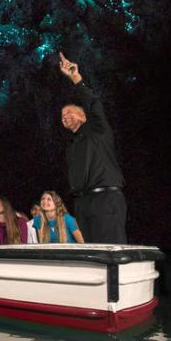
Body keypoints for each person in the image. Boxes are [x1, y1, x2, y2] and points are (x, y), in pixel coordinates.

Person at [58, 52, 128, 244]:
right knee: (90, 252)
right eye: (62, 116)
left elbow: (94, 104)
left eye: (69, 112)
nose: (65, 117)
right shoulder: (72, 145)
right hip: (82, 203)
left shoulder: (98, 129)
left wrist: (76, 78)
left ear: (83, 115)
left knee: (110, 249)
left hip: (105, 198)